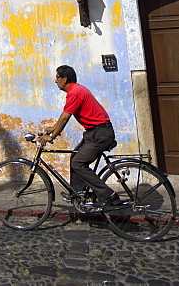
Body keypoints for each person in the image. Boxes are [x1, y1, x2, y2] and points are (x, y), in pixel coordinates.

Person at [36, 65, 120, 208]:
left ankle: (108, 195)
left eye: (57, 77)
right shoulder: (76, 90)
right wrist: (52, 129)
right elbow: (63, 117)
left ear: (65, 79)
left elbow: (65, 118)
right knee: (75, 156)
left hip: (100, 134)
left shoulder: (75, 92)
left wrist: (52, 136)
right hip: (94, 133)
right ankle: (78, 193)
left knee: (78, 163)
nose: (55, 81)